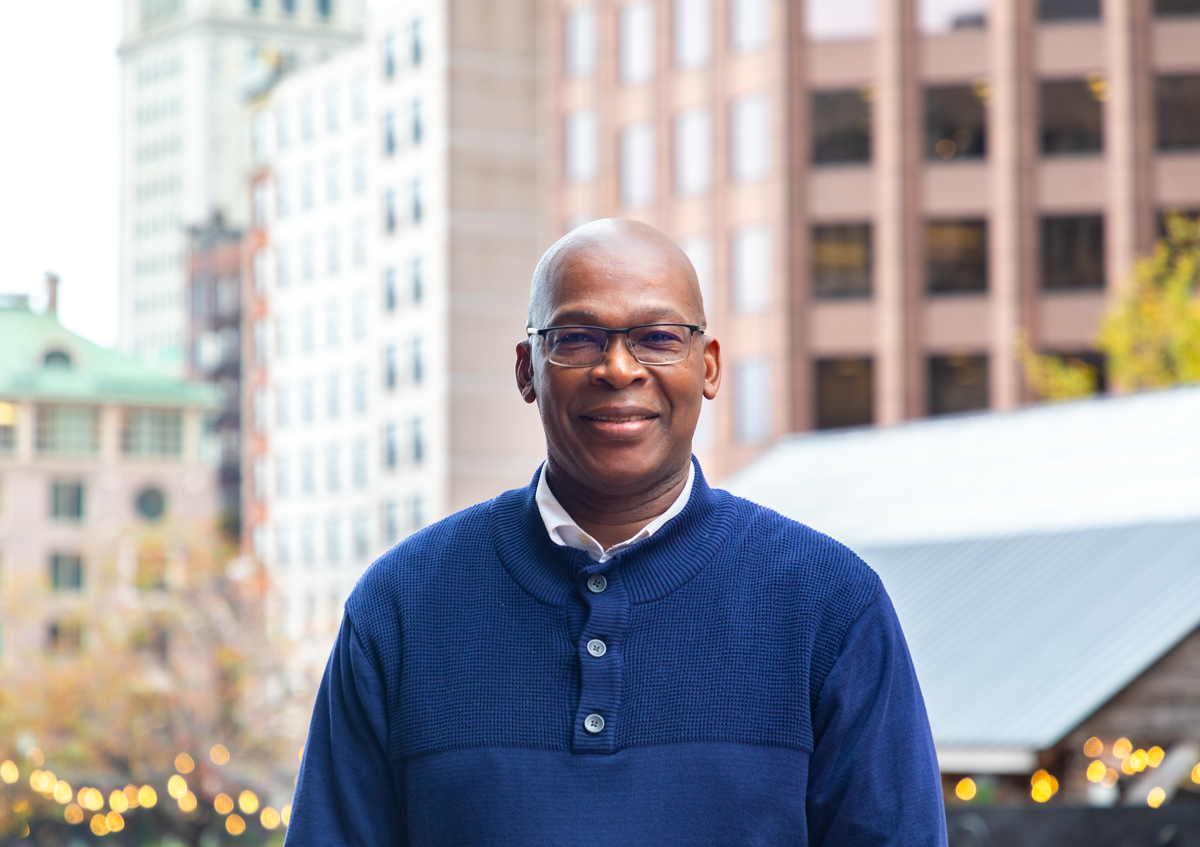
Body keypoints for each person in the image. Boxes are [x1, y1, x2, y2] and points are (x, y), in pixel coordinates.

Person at [287, 219, 947, 846]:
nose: (619, 368)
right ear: (527, 369)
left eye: (659, 336)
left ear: (709, 366)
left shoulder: (830, 604)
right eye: (577, 337)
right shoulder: (403, 605)